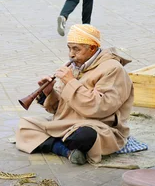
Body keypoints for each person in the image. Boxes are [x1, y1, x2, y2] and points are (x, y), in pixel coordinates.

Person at [16, 24, 134, 165]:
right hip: (66, 123)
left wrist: (70, 81)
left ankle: (56, 142)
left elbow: (100, 107)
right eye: (69, 48)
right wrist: (49, 92)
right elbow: (58, 109)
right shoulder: (75, 66)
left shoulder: (113, 69)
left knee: (84, 136)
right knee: (25, 125)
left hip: (96, 124)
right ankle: (65, 150)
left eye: (76, 49)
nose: (71, 54)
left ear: (92, 48)